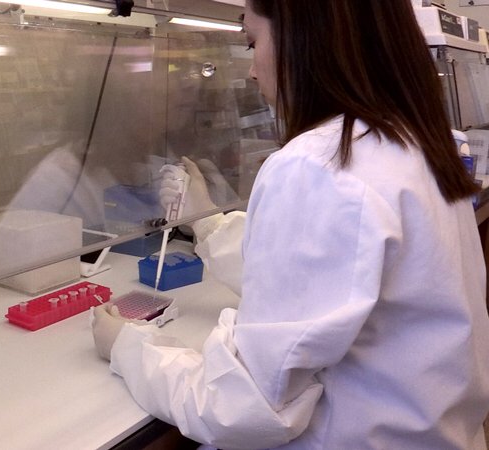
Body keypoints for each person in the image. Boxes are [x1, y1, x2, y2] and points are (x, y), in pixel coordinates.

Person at [91, 1, 489, 448]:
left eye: (252, 42)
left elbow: (244, 406)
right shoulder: (414, 143)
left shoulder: (319, 165)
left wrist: (131, 349)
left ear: (307, 40)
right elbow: (329, 278)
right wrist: (208, 224)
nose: (251, 71)